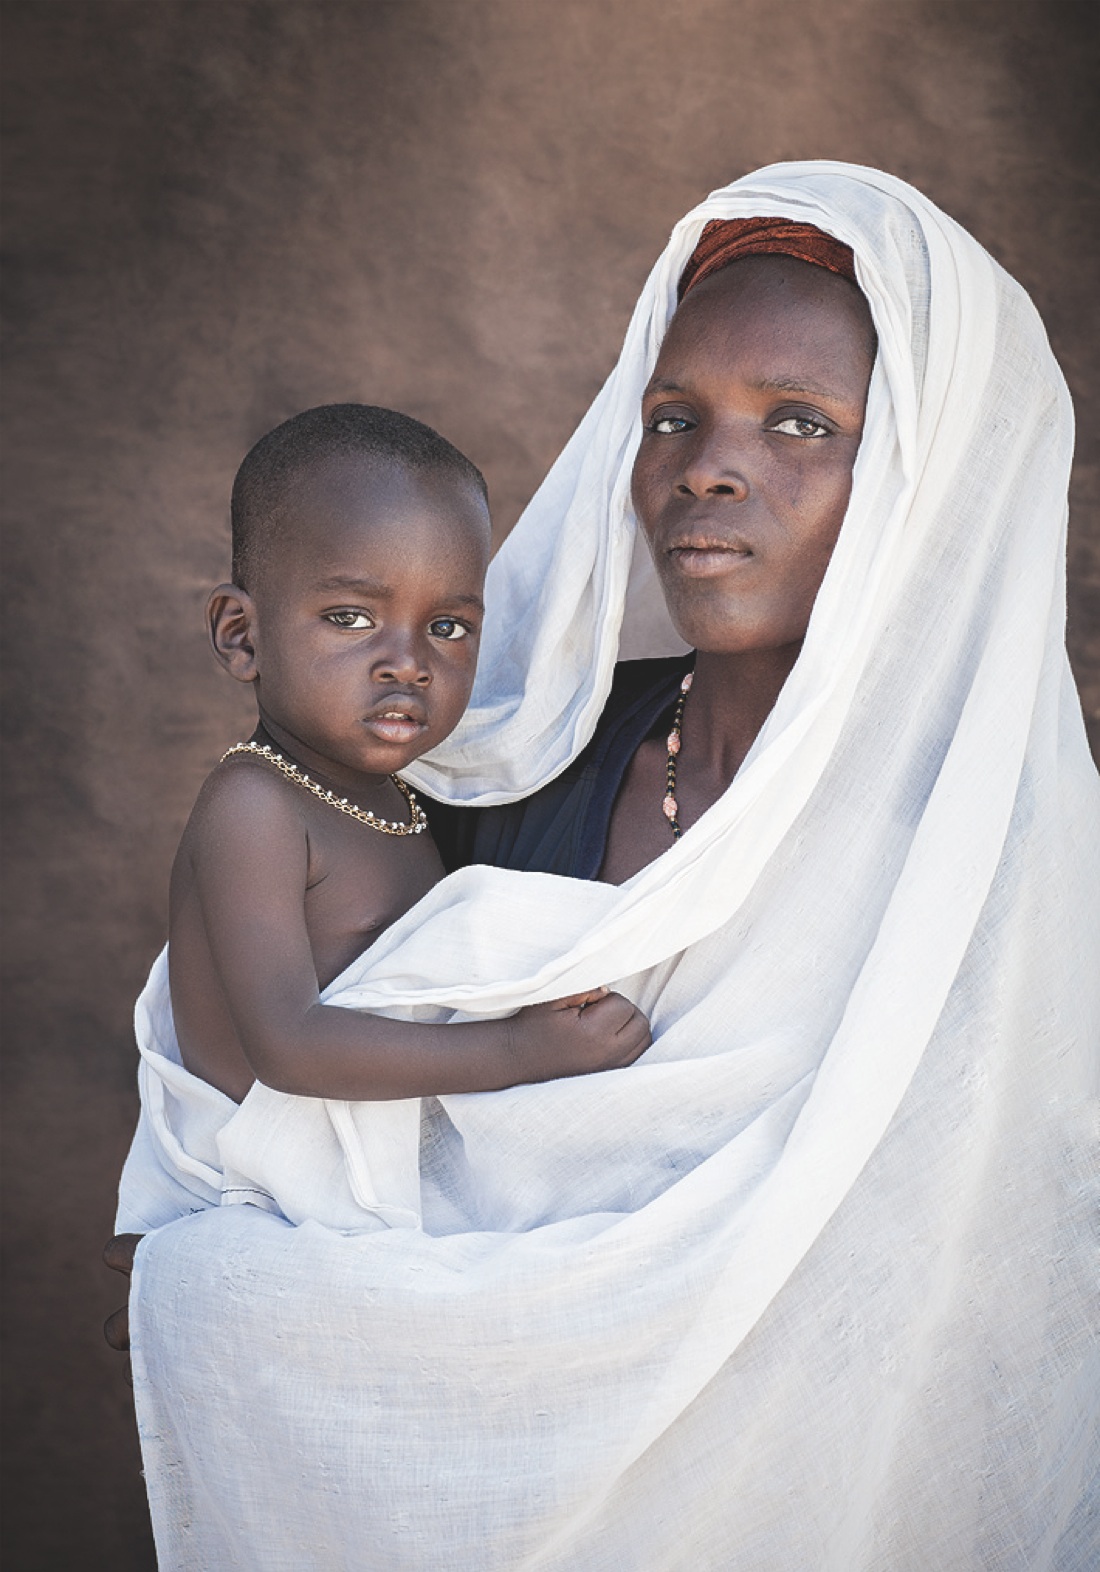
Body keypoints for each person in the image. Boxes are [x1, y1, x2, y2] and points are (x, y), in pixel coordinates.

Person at [107, 164, 1099, 1570]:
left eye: (802, 423)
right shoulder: (511, 777)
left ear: (934, 482)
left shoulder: (1009, 891)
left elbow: (1002, 1300)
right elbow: (293, 1121)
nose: (705, 465)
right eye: (672, 417)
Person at [167, 402, 648, 1113]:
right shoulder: (254, 806)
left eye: (447, 627)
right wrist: (524, 1051)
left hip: (374, 1144)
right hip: (269, 1169)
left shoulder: (405, 792)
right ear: (243, 636)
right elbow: (289, 1047)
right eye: (351, 619)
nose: (409, 664)